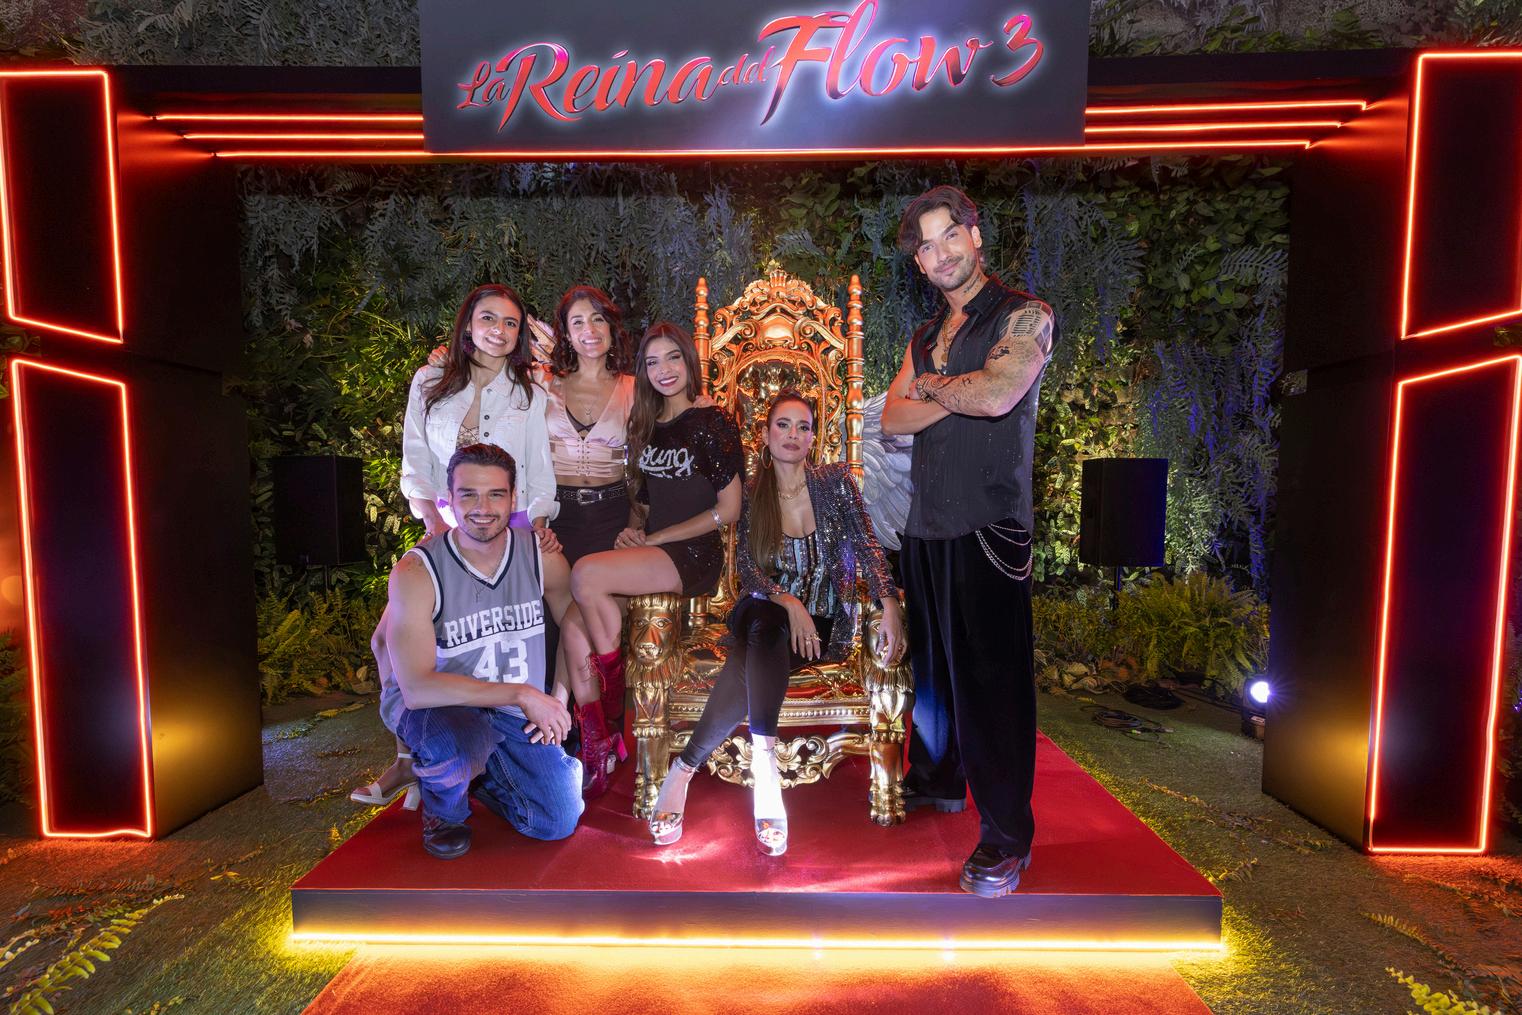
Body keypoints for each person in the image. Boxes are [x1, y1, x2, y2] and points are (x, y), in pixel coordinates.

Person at [881, 185, 1057, 898]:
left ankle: (1007, 837)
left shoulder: (1024, 314)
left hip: (990, 525)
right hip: (925, 526)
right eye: (926, 246)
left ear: (975, 236)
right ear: (919, 264)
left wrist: (930, 388)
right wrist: (945, 388)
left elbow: (997, 395)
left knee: (993, 686)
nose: (941, 252)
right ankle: (939, 778)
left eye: (949, 235)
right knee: (933, 679)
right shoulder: (924, 335)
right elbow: (891, 418)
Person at [646, 391, 906, 855]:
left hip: (820, 624)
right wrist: (789, 603)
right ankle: (767, 770)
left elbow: (868, 545)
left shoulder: (835, 483)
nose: (792, 435)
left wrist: (889, 604)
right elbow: (748, 570)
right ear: (765, 436)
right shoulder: (752, 491)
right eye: (782, 425)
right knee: (767, 620)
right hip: (762, 607)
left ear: (813, 438)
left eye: (803, 427)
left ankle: (682, 770)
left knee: (747, 662)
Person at [350, 283, 575, 810]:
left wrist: (539, 523)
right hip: (447, 521)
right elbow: (416, 456)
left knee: (492, 636)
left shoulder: (528, 392)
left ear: (520, 335)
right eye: (488, 318)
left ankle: (498, 750)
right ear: (468, 324)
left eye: (511, 323)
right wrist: (431, 520)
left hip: (507, 521)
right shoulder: (431, 380)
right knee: (387, 641)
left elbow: (538, 468)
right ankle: (412, 754)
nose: (499, 330)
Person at [560, 322, 744, 796]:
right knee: (574, 624)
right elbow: (643, 505)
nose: (664, 370)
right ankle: (600, 743)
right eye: (653, 362)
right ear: (643, 371)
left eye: (673, 358)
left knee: (585, 573)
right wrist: (634, 532)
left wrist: (658, 537)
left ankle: (614, 701)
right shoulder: (644, 426)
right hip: (654, 548)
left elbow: (729, 510)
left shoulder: (712, 422)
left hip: (694, 555)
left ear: (689, 361)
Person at [383, 443, 583, 859]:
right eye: (468, 494)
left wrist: (558, 699)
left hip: (511, 709)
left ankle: (481, 777)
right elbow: (417, 688)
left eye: (495, 494)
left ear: (514, 498)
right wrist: (524, 694)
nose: (482, 508)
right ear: (449, 498)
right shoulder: (417, 570)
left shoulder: (540, 556)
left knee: (556, 820)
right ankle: (445, 812)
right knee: (456, 744)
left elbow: (574, 622)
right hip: (440, 706)